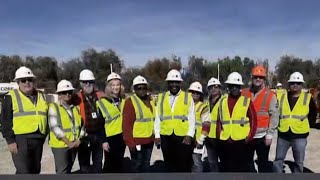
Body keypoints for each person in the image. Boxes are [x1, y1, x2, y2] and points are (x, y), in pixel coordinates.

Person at [1, 66, 48, 174]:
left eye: (30, 80)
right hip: (20, 140)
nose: (27, 82)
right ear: (18, 82)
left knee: (35, 170)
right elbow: (5, 121)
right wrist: (10, 140)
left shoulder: (41, 96)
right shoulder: (10, 96)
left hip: (38, 138)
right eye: (23, 80)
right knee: (24, 171)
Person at [273, 72, 317, 173]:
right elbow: (276, 113)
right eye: (292, 83)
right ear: (289, 84)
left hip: (300, 135)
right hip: (283, 134)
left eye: (298, 83)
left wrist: (306, 125)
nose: (295, 85)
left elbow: (313, 114)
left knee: (299, 162)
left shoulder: (307, 98)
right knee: (278, 160)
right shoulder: (282, 97)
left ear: (302, 85)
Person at [154, 69, 195, 172]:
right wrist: (157, 135)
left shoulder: (187, 97)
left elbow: (192, 118)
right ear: (168, 83)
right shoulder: (161, 97)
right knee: (169, 165)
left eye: (176, 82)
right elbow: (158, 117)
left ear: (180, 83)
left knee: (183, 166)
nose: (174, 85)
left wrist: (189, 135)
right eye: (171, 82)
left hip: (182, 136)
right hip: (165, 136)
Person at [217, 72, 257, 172]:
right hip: (226, 141)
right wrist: (219, 136)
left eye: (236, 86)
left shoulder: (246, 101)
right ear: (228, 87)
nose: (234, 88)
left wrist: (249, 137)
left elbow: (254, 120)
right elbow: (219, 120)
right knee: (226, 168)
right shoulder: (222, 101)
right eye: (232, 86)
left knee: (241, 169)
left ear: (240, 87)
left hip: (241, 142)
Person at [242, 65, 279, 172]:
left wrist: (270, 134)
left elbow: (274, 116)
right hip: (247, 135)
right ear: (252, 78)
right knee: (247, 161)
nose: (258, 79)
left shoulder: (270, 95)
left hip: (262, 136)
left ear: (264, 79)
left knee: (263, 163)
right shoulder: (244, 93)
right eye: (256, 77)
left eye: (261, 77)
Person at [48, 80, 85, 174]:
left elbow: (82, 125)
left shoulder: (76, 107)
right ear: (59, 94)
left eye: (70, 92)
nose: (67, 94)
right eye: (64, 92)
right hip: (60, 145)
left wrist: (79, 139)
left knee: (68, 169)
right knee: (62, 171)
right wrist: (68, 142)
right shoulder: (53, 107)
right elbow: (54, 127)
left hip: (74, 143)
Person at [122, 75, 155, 173]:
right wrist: (130, 143)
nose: (142, 90)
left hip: (149, 140)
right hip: (137, 142)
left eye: (144, 87)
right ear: (134, 89)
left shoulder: (151, 100)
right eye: (138, 88)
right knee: (137, 166)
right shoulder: (130, 102)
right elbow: (126, 125)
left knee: (146, 164)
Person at [76, 69, 105, 173]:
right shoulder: (76, 98)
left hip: (98, 135)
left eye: (90, 82)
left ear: (94, 82)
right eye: (85, 82)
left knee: (98, 163)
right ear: (80, 83)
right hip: (84, 136)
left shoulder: (100, 96)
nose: (87, 84)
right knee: (84, 165)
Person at [96, 72, 126, 173]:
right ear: (108, 87)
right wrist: (104, 141)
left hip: (122, 136)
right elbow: (100, 125)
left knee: (119, 162)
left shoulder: (124, 100)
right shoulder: (102, 102)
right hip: (110, 138)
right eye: (113, 85)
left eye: (118, 85)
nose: (116, 87)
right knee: (109, 164)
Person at [188, 81, 210, 172]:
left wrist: (200, 140)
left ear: (200, 94)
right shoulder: (185, 105)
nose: (194, 94)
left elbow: (207, 125)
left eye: (197, 92)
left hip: (197, 140)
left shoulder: (203, 107)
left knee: (196, 163)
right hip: (187, 139)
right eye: (192, 92)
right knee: (187, 163)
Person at [204, 77, 223, 172]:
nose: (213, 89)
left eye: (215, 87)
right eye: (211, 87)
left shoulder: (224, 101)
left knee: (224, 161)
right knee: (212, 162)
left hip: (220, 137)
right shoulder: (206, 103)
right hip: (209, 137)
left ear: (219, 88)